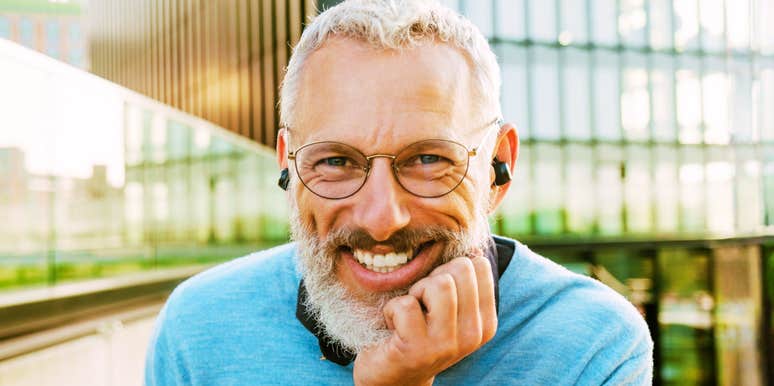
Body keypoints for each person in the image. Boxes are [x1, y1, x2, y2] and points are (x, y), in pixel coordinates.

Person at [145, 1, 653, 384]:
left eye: (429, 159)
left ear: (498, 166)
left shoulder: (592, 340)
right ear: (289, 166)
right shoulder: (198, 326)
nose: (381, 219)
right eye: (336, 162)